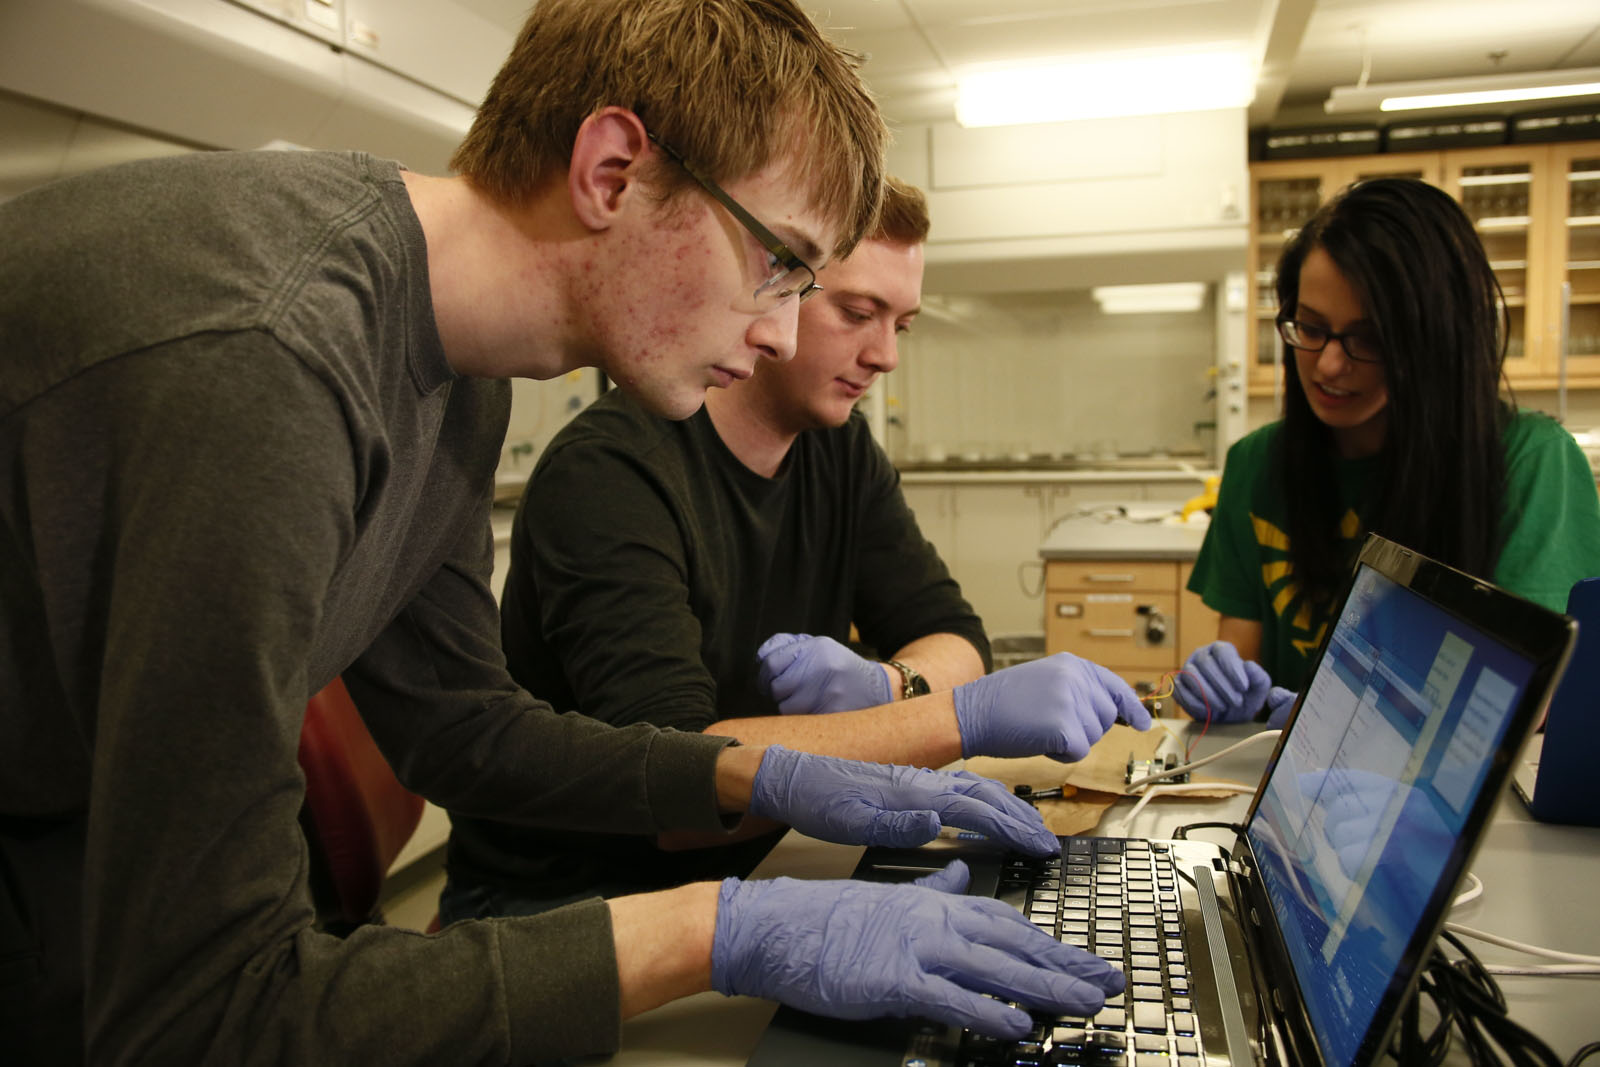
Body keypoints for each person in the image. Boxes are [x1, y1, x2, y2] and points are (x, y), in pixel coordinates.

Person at [0, 1, 1134, 1062]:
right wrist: (715, 927)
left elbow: (464, 731)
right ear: (615, 172)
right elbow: (203, 1007)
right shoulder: (269, 361)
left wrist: (755, 774)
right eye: (777, 261)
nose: (784, 331)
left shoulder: (461, 367)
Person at [443, 176, 1006, 919]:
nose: (884, 356)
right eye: (858, 312)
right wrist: (943, 723)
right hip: (576, 909)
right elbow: (680, 793)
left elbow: (954, 635)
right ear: (776, 284)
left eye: (901, 325)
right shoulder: (612, 472)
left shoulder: (839, 451)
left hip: (762, 863)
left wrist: (894, 690)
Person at [1178, 177, 1600, 727]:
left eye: (1369, 339)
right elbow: (1242, 653)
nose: (1328, 365)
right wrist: (1229, 693)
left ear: (1437, 340)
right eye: (1311, 327)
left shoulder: (1530, 461)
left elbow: (1528, 707)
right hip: (1285, 787)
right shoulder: (1258, 464)